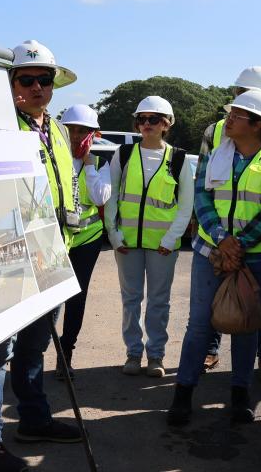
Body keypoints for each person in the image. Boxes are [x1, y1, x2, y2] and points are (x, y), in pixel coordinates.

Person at [0, 40, 80, 472]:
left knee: (34, 350)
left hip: (52, 255)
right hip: (8, 257)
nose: (37, 88)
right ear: (8, 84)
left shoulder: (54, 129)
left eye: (44, 80)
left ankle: (34, 421)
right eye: (26, 80)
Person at [168, 89, 261, 426]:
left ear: (257, 124)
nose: (229, 120)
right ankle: (183, 394)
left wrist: (240, 244)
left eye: (237, 115)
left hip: (255, 257)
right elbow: (202, 200)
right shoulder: (213, 157)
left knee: (245, 326)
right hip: (210, 251)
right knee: (198, 326)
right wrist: (223, 240)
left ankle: (240, 395)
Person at [200, 65, 261, 381]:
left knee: (258, 304)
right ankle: (212, 348)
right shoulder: (216, 130)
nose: (242, 101)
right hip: (220, 238)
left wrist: (242, 242)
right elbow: (204, 185)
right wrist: (221, 237)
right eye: (240, 94)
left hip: (260, 240)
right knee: (214, 302)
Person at [104, 96, 194, 377]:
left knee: (158, 302)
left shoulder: (178, 158)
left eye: (153, 119)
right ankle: (133, 354)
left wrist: (170, 240)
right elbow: (111, 197)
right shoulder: (124, 154)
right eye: (141, 119)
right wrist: (114, 235)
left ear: (166, 124)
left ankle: (156, 356)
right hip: (127, 243)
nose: (146, 124)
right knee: (131, 300)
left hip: (162, 246)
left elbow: (185, 205)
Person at [56, 104, 112, 380]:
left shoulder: (101, 164)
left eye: (83, 131)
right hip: (57, 240)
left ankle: (65, 354)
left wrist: (88, 163)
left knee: (77, 299)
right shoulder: (53, 160)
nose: (77, 136)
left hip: (87, 241)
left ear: (94, 135)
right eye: (71, 130)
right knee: (52, 300)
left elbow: (101, 197)